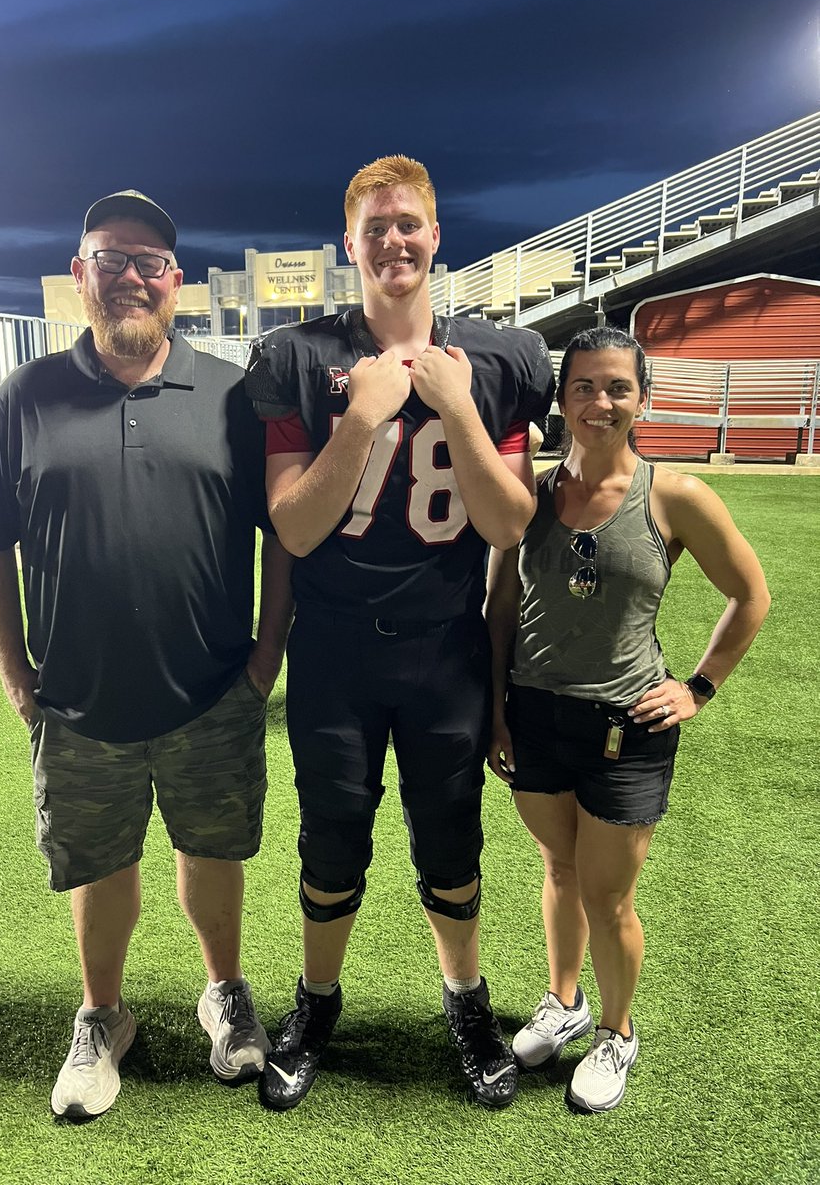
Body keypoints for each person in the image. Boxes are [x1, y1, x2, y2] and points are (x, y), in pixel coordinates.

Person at [0, 190, 292, 1120]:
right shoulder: (25, 398)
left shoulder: (233, 395)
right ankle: (104, 1016)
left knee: (211, 851)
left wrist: (264, 662)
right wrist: (17, 680)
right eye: (111, 258)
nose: (132, 276)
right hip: (77, 702)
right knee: (99, 866)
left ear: (176, 282)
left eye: (150, 262)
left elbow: (284, 537)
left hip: (212, 691)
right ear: (81, 275)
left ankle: (223, 992)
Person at [245, 155, 555, 1110]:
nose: (393, 240)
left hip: (445, 647)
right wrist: (361, 419)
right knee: (331, 840)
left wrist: (455, 406)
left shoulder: (496, 363)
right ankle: (318, 1001)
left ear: (435, 234)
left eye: (408, 223)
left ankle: (467, 1003)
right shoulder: (301, 358)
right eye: (374, 225)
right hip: (334, 649)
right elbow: (294, 528)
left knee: (451, 843)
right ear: (350, 243)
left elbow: (508, 524)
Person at [485, 325, 770, 1113]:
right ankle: (565, 1001)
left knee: (609, 898)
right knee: (560, 871)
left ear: (641, 399)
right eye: (583, 386)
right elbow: (500, 604)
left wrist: (698, 688)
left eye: (616, 387)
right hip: (536, 717)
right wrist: (496, 709)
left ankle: (616, 1031)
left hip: (626, 728)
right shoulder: (531, 494)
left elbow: (752, 597)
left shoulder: (675, 496)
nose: (599, 401)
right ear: (562, 400)